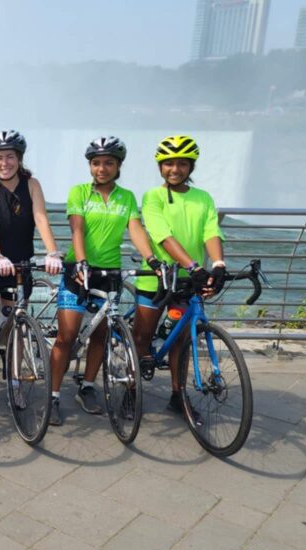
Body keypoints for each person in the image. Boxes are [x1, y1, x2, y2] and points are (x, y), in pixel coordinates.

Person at [47, 136, 157, 426]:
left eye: (108, 163)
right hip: (78, 271)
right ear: (90, 166)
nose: (102, 168)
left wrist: (152, 259)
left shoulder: (127, 197)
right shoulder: (79, 192)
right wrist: (82, 262)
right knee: (66, 336)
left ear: (118, 166)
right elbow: (77, 230)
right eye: (96, 163)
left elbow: (136, 229)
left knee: (100, 336)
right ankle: (53, 396)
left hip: (110, 275)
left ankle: (86, 386)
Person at [0, 130, 63, 409]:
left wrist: (52, 252)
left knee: (17, 326)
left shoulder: (31, 184)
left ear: (19, 159)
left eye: (10, 157)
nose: (4, 163)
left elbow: (41, 218)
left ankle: (15, 382)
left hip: (20, 265)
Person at [132, 135, 225, 415]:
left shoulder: (203, 198)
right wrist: (194, 266)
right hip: (156, 279)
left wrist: (218, 263)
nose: (175, 169)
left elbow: (211, 231)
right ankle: (131, 389)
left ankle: (178, 395)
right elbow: (162, 235)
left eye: (182, 164)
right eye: (169, 163)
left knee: (182, 341)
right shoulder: (153, 196)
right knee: (142, 337)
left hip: (187, 281)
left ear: (191, 167)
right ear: (160, 167)